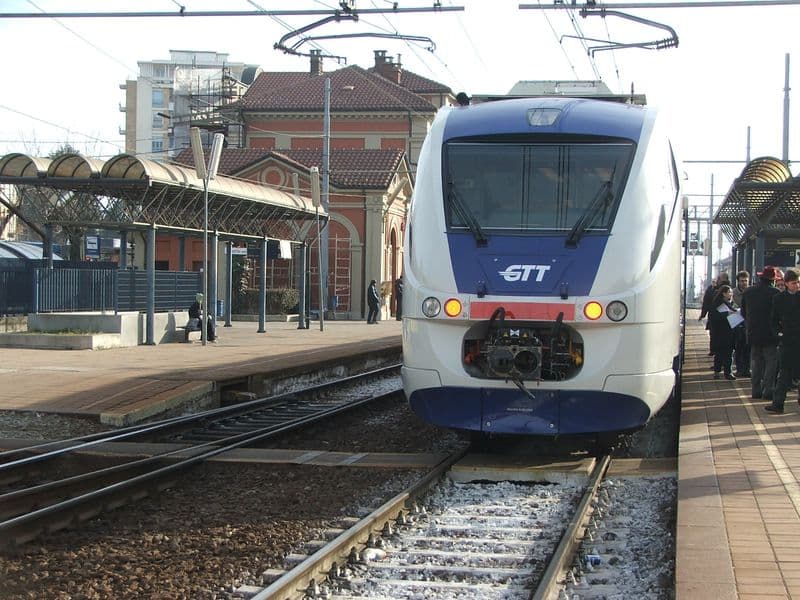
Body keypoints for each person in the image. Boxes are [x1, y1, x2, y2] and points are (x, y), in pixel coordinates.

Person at [740, 266, 780, 401]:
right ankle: (768, 390)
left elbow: (743, 313)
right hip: (770, 334)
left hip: (753, 333)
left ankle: (755, 391)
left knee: (756, 362)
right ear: (772, 280)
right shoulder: (776, 293)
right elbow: (778, 315)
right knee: (771, 363)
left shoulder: (748, 292)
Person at [766, 269, 800, 414]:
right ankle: (778, 404)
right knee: (784, 373)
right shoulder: (778, 299)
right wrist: (779, 334)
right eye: (794, 283)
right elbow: (773, 320)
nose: (797, 285)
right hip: (787, 340)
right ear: (786, 283)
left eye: (798, 282)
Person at [708, 284, 737, 380]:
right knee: (727, 353)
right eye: (729, 292)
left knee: (720, 353)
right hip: (724, 332)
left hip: (721, 332)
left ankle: (718, 372)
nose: (731, 294)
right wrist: (732, 313)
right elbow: (722, 316)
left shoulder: (725, 302)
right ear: (724, 293)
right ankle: (727, 373)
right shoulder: (721, 304)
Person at [700, 272, 730, 356]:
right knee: (717, 336)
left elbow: (706, 302)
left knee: (715, 336)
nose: (717, 280)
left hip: (715, 317)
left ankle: (715, 353)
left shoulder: (713, 289)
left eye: (719, 278)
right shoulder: (728, 289)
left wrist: (703, 314)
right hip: (720, 318)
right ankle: (717, 354)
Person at [732, 270, 751, 377]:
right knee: (739, 348)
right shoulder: (733, 293)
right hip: (737, 323)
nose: (744, 283)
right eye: (742, 281)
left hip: (749, 324)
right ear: (738, 281)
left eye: (746, 281)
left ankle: (747, 369)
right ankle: (739, 369)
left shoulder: (751, 291)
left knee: (748, 348)